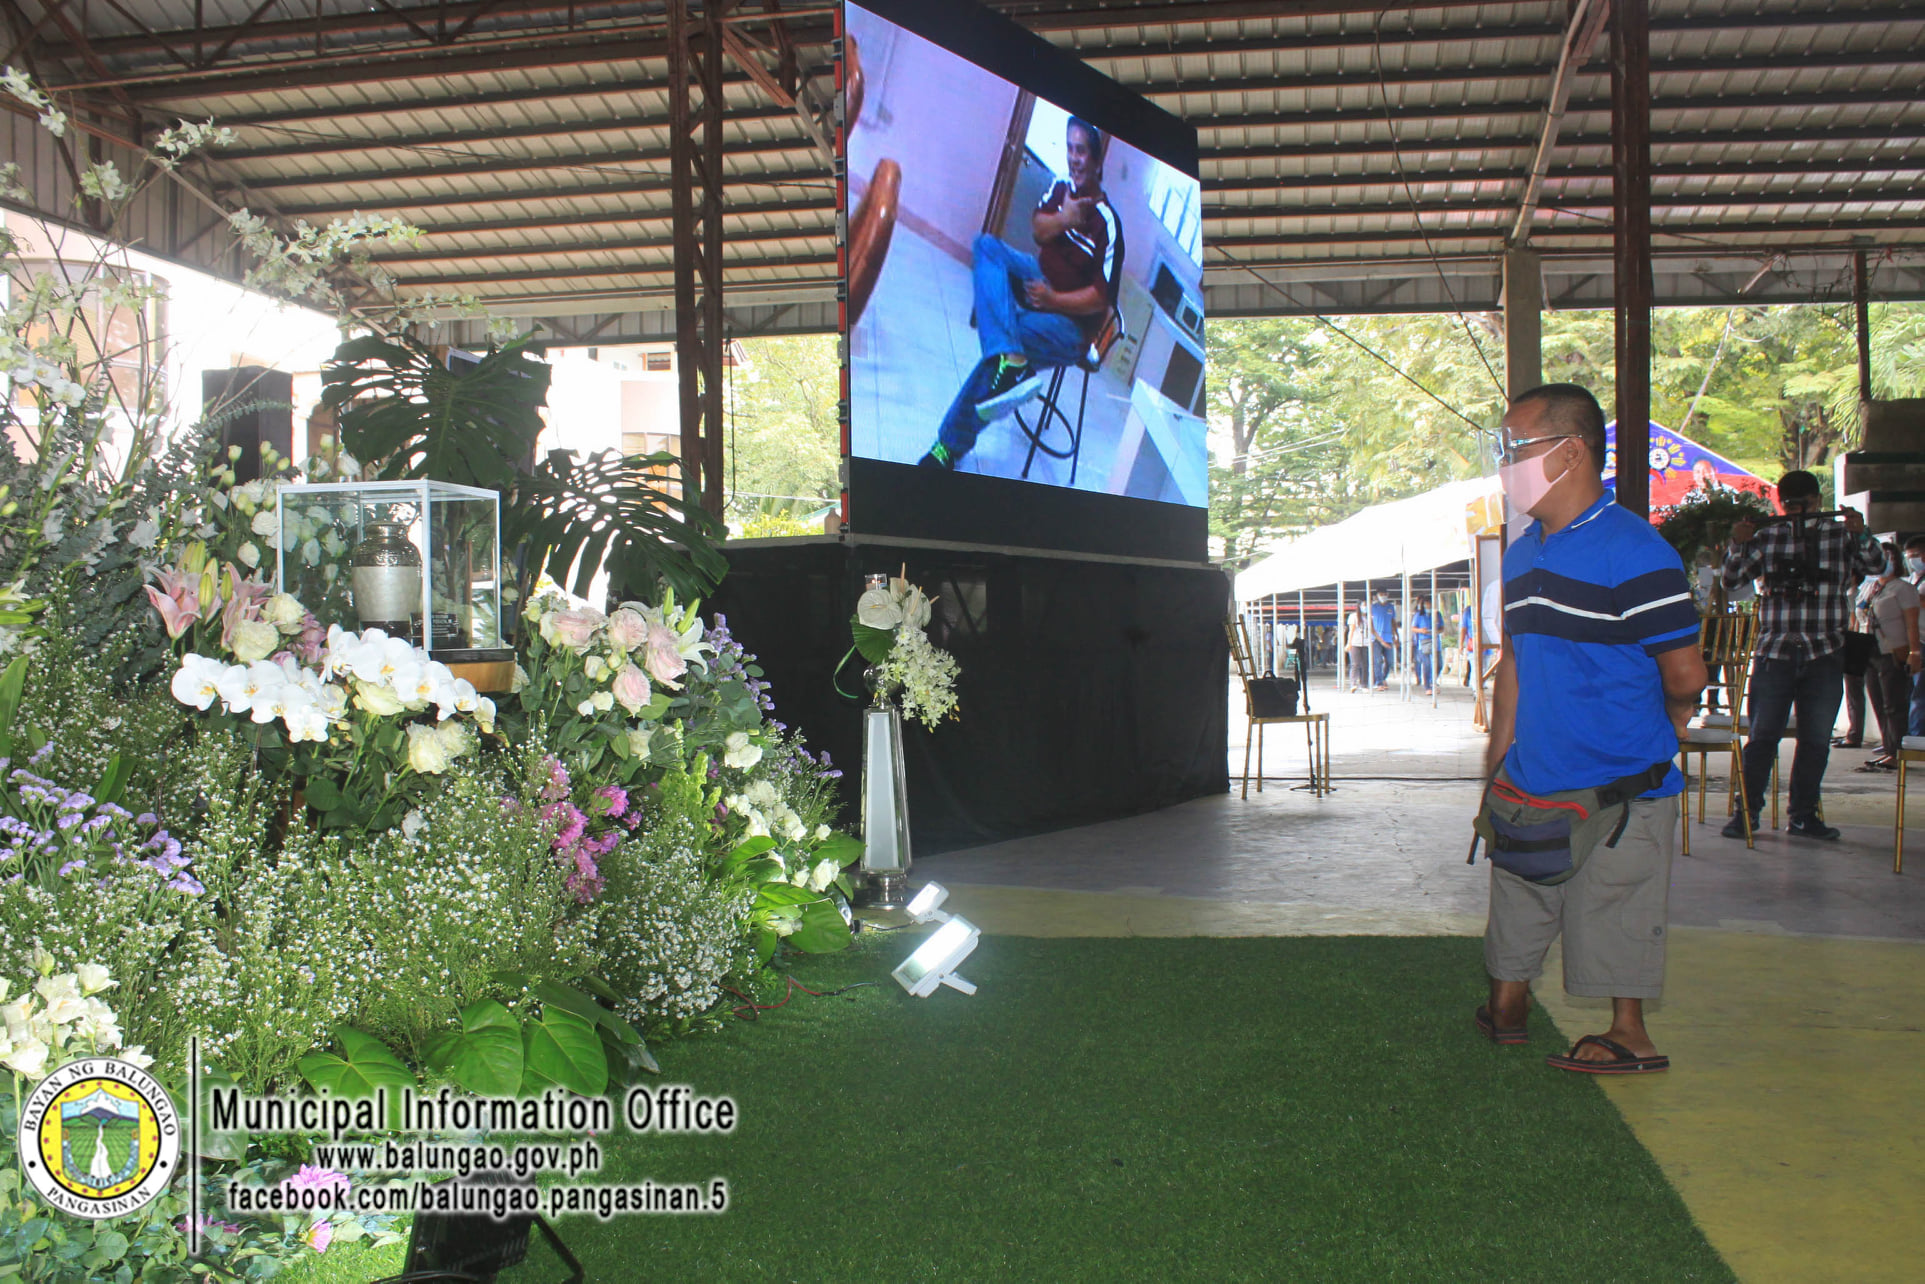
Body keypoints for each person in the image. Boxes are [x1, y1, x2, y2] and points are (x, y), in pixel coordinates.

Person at [1480, 383, 1706, 1073]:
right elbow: (1512, 664)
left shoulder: (1635, 551)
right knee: (1518, 892)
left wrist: (1663, 728)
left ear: (1570, 451)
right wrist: (1493, 771)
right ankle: (1507, 1006)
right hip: (1531, 777)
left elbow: (1686, 676)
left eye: (1513, 448)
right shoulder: (1521, 554)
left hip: (1619, 784)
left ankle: (1629, 1034)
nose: (1503, 463)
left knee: (1614, 904)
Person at [919, 117, 1123, 470]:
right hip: (1038, 278)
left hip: (1070, 326)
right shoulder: (1060, 189)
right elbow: (1039, 231)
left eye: (1082, 151)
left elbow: (1101, 299)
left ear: (1097, 159)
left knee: (1005, 345)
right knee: (986, 247)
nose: (1074, 158)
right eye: (1070, 149)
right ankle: (1009, 357)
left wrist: (1053, 300)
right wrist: (1065, 219)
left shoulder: (1109, 223)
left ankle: (947, 447)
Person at [1720, 471, 1884, 840]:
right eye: (1789, 505)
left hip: (1824, 651)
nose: (1796, 512)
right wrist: (1738, 545)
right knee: (1762, 737)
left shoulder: (1839, 534)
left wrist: (1861, 533)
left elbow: (1877, 567)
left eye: (1804, 505)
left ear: (1817, 502)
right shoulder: (1768, 535)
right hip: (1775, 651)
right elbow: (1732, 582)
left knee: (1815, 739)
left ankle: (1803, 816)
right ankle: (1745, 814)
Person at [1856, 541, 1921, 770]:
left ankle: (1897, 752)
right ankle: (1887, 747)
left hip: (1892, 650)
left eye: (1889, 557)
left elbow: (1911, 623)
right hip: (1870, 650)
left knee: (1894, 703)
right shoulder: (1871, 587)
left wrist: (1915, 652)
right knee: (1878, 701)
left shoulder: (1903, 589)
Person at [1368, 588, 1398, 690]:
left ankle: (1383, 677)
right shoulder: (1373, 607)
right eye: (1381, 594)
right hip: (1376, 639)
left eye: (1385, 594)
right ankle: (1379, 682)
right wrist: (1379, 639)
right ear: (1377, 596)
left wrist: (1396, 635)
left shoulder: (1391, 607)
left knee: (1390, 661)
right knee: (1377, 661)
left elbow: (1393, 621)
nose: (1383, 596)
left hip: (1388, 637)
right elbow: (1370, 625)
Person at [1411, 594, 1436, 695]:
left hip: (1434, 641)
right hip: (1421, 642)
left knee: (1437, 663)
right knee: (1425, 663)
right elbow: (1413, 628)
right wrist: (1421, 631)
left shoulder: (1436, 614)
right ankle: (1427, 684)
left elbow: (1441, 627)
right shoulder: (1418, 614)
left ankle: (1431, 681)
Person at [1344, 605, 1370, 693]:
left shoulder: (1368, 617)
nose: (1365, 607)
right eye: (1363, 605)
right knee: (1355, 664)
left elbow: (1372, 630)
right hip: (1355, 642)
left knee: (1365, 664)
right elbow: (1351, 630)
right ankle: (1353, 683)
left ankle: (1364, 684)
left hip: (1365, 643)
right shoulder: (1353, 616)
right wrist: (1349, 643)